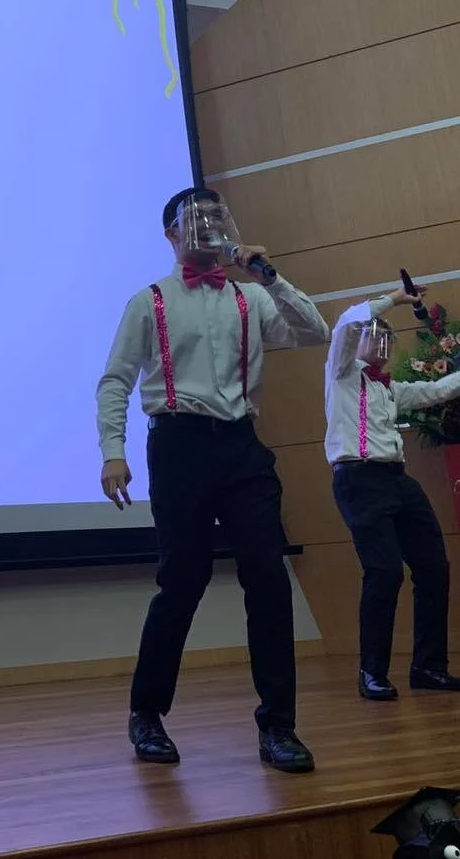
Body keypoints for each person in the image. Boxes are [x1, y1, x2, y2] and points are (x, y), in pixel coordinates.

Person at [96, 186, 330, 773]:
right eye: (194, 221)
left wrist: (271, 275)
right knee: (182, 582)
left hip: (242, 447)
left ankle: (278, 726)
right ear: (172, 235)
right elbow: (116, 379)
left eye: (215, 219)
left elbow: (315, 332)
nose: (207, 229)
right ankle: (146, 714)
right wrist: (112, 451)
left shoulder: (252, 296)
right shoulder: (148, 302)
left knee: (268, 579)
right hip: (178, 446)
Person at [325, 286, 460, 701]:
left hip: (396, 478)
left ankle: (429, 667)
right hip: (358, 478)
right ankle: (372, 672)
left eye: (388, 340)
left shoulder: (390, 389)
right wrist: (396, 299)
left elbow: (438, 391)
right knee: (384, 571)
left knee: (434, 567)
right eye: (375, 337)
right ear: (360, 342)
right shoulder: (341, 373)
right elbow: (347, 323)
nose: (382, 346)